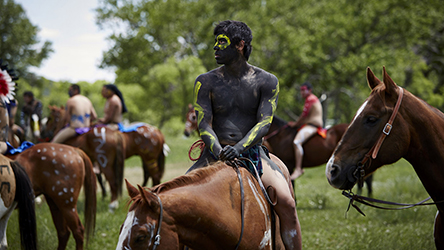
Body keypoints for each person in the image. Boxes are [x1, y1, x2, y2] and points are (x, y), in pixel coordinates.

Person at [189, 20, 301, 249]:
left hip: (253, 154)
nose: (215, 47)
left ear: (240, 45)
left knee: (288, 202)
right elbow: (204, 125)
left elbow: (264, 123)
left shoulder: (267, 81)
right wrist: (220, 151)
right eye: (216, 42)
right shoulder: (205, 81)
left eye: (222, 42)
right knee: (180, 200)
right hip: (212, 155)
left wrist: (238, 148)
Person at [288, 82, 323, 180]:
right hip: (309, 125)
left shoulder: (310, 99)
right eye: (301, 90)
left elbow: (304, 115)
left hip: (312, 126)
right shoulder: (311, 99)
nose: (302, 92)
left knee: (296, 142)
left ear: (310, 90)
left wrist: (295, 124)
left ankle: (298, 168)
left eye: (304, 90)